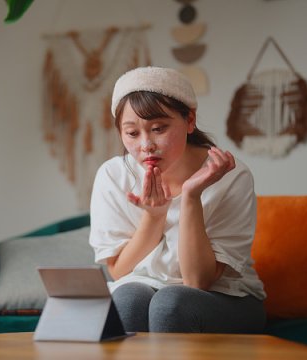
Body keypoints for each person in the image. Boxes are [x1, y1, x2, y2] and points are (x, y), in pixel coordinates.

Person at [89, 66, 266, 333]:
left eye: (158, 128)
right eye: (132, 133)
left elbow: (197, 281)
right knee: (126, 299)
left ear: (190, 121)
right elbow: (119, 272)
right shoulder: (113, 175)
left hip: (225, 298)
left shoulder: (230, 174)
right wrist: (153, 217)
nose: (146, 145)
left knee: (171, 303)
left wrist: (191, 197)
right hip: (143, 287)